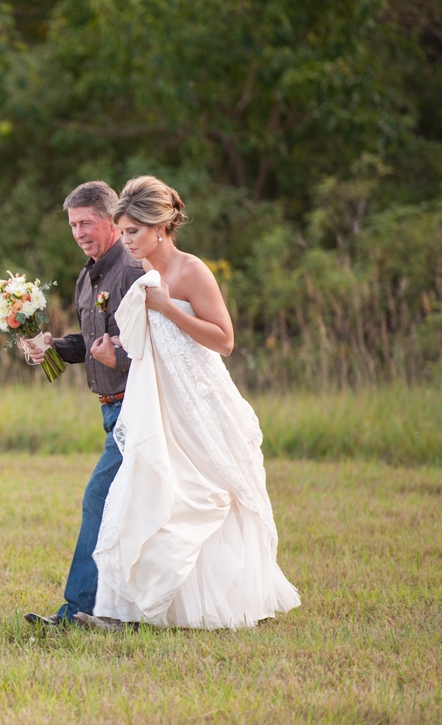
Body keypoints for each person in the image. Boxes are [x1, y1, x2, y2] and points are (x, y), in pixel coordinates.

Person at [78, 175, 299, 630]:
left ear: (160, 228)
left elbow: (225, 340)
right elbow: (147, 343)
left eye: (133, 232)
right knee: (141, 493)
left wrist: (167, 308)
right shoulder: (137, 273)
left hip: (196, 399)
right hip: (154, 401)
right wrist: (112, 350)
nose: (127, 242)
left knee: (197, 496)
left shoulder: (191, 270)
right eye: (123, 233)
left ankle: (201, 606)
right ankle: (125, 612)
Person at [23, 180, 144, 627]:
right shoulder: (85, 275)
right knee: (125, 510)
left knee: (98, 499)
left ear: (111, 220)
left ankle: (77, 612)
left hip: (138, 409)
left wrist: (122, 358)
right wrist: (51, 345)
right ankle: (121, 609)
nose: (78, 233)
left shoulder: (130, 271)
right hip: (109, 409)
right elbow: (91, 344)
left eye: (85, 223)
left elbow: (157, 345)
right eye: (72, 225)